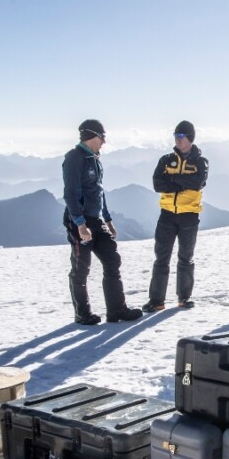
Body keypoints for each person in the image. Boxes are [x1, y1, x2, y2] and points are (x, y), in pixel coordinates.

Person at [62, 119, 142, 325]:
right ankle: (82, 314)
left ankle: (116, 310)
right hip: (79, 220)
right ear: (91, 136)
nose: (104, 141)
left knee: (112, 260)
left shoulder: (95, 158)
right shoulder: (74, 158)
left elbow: (99, 191)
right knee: (81, 267)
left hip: (96, 220)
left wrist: (108, 219)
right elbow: (70, 194)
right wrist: (80, 224)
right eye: (102, 137)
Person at [142, 120, 209, 312]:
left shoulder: (200, 162)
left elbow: (197, 182)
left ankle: (184, 298)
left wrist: (171, 179)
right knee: (161, 258)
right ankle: (157, 301)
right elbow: (157, 184)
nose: (178, 140)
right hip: (167, 214)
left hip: (189, 214)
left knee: (185, 257)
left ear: (190, 138)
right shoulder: (166, 159)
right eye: (176, 136)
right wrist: (182, 182)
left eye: (181, 137)